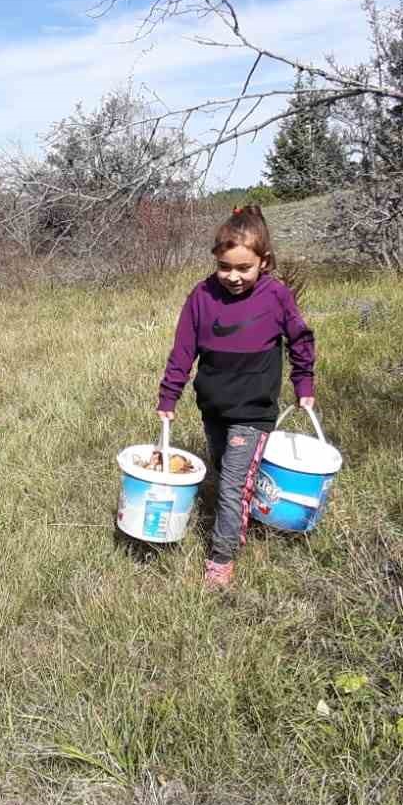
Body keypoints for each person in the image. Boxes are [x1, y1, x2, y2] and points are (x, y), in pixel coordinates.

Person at [156, 205, 315, 589]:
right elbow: (182, 350)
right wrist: (169, 397)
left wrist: (304, 384)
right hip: (213, 406)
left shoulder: (276, 296)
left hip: (253, 410)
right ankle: (256, 507)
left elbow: (300, 340)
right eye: (225, 266)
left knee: (230, 483)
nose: (233, 276)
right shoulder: (201, 296)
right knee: (227, 469)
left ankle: (221, 559)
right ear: (215, 259)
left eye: (244, 268)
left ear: (265, 261)